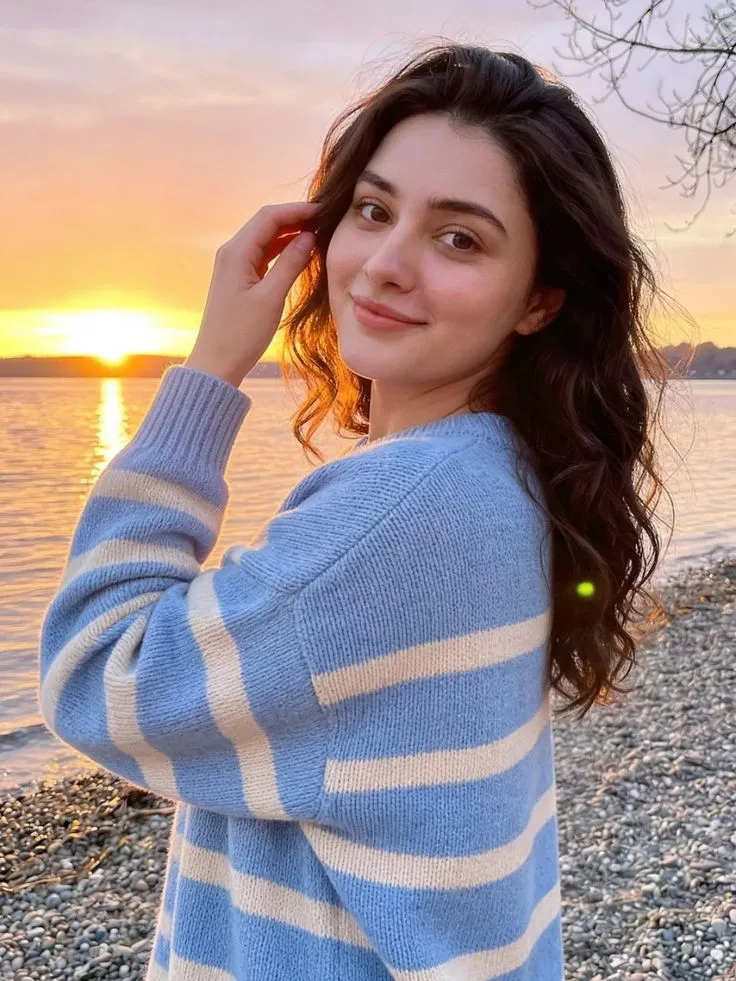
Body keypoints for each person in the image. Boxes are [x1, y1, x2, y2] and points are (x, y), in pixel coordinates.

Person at [38, 41, 672, 981]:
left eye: (459, 238)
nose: (383, 264)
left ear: (538, 299)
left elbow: (98, 677)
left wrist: (210, 368)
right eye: (372, 211)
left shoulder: (413, 507)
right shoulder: (506, 473)